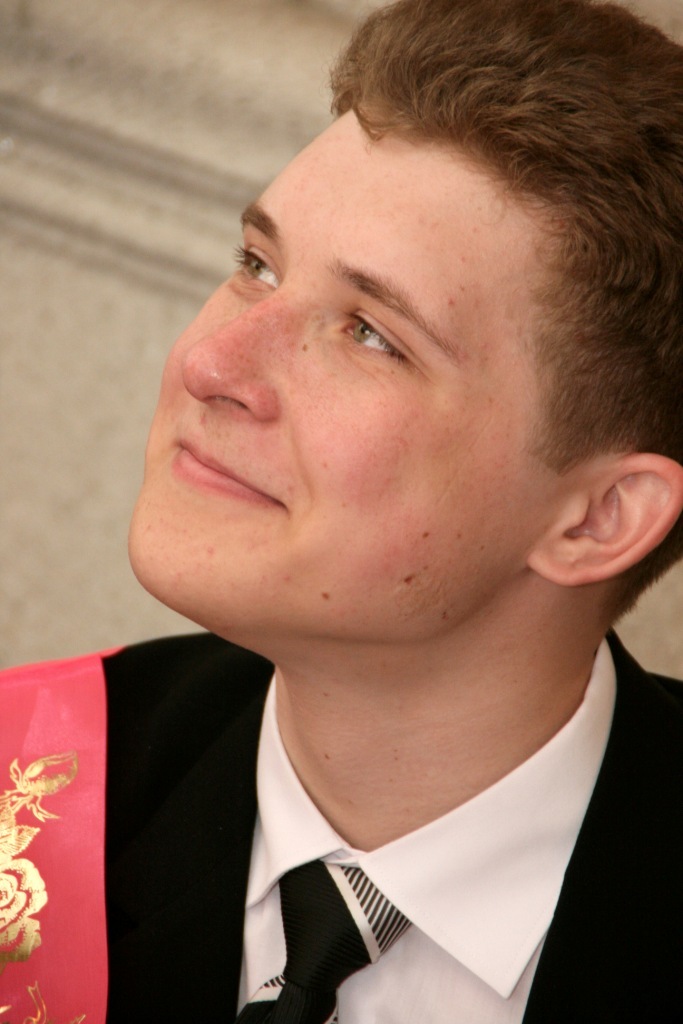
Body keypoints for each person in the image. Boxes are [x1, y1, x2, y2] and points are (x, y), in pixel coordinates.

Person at [2, 0, 682, 1020]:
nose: (208, 363)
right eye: (257, 266)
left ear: (598, 518)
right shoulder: (28, 791)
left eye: (370, 334)